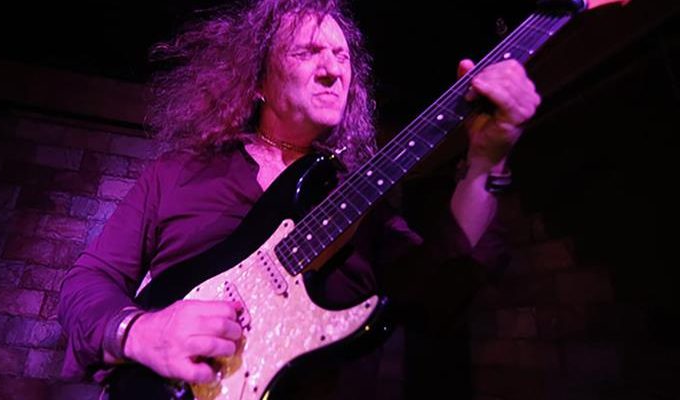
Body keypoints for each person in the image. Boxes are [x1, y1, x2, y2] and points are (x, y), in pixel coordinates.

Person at [58, 0, 540, 398]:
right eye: (308, 52)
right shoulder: (179, 173)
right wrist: (141, 333)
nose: (332, 70)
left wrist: (486, 160)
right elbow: (88, 282)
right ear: (258, 82)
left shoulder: (357, 198)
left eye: (342, 56)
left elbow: (439, 289)